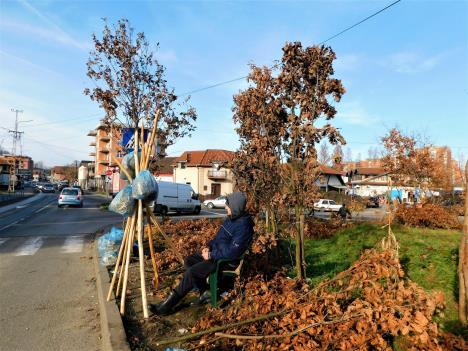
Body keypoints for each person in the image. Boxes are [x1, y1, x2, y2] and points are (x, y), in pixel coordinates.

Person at [150, 191, 254, 315]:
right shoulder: (231, 218)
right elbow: (218, 239)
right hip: (216, 254)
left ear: (235, 207)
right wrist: (208, 247)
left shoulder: (244, 226)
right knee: (189, 260)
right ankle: (205, 291)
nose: (226, 207)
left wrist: (211, 255)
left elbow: (233, 252)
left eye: (228, 205)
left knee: (192, 272)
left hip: (224, 261)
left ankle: (166, 306)